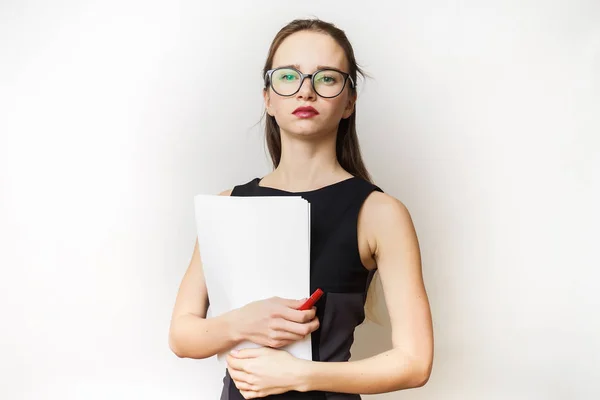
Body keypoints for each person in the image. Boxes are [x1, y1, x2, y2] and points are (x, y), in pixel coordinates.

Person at [169, 18, 434, 400]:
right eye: (288, 76)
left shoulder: (380, 213)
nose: (305, 91)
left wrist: (300, 375)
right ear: (268, 98)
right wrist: (241, 323)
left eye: (326, 78)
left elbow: (414, 362)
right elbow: (181, 335)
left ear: (349, 102)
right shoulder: (226, 205)